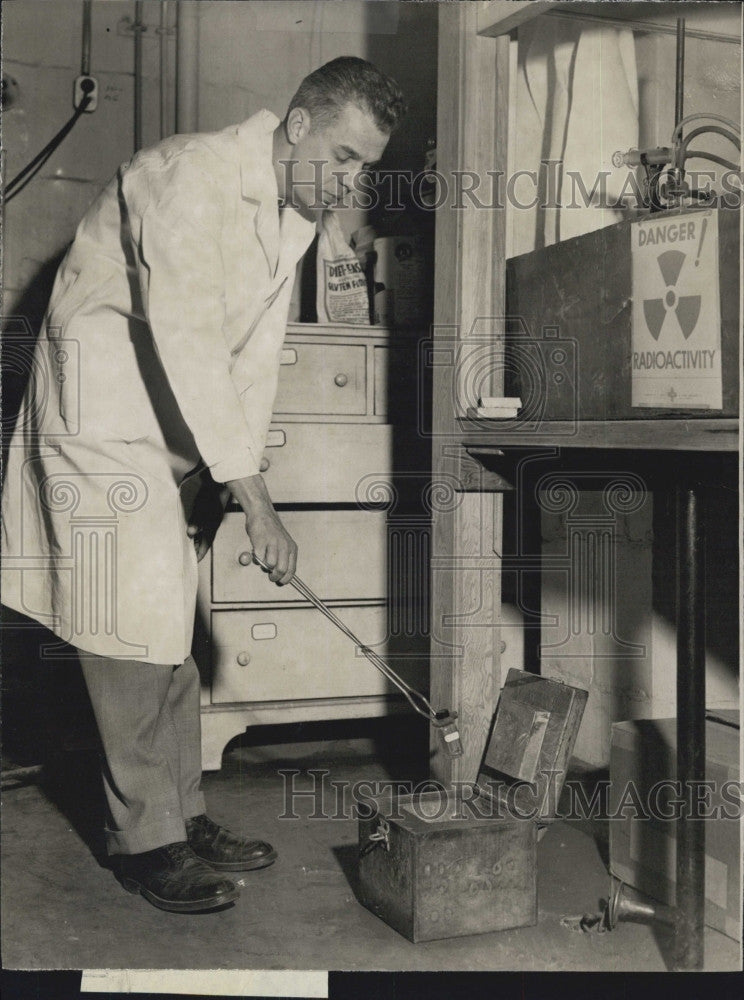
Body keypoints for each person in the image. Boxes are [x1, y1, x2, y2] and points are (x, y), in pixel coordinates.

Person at [1, 56, 405, 913]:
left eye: (365, 166)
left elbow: (250, 361)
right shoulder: (188, 177)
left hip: (168, 433)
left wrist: (233, 476)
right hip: (101, 419)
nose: (350, 181)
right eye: (343, 156)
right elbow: (185, 337)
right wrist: (255, 496)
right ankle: (144, 841)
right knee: (128, 633)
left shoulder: (294, 211)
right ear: (297, 124)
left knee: (171, 629)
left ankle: (180, 813)